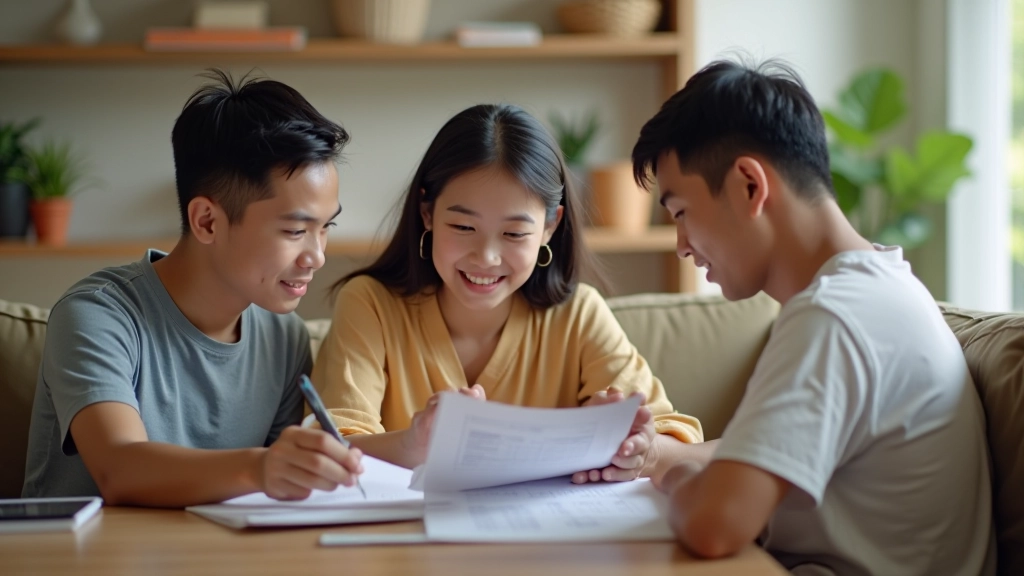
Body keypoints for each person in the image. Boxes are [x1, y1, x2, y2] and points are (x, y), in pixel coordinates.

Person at [632, 59, 994, 575]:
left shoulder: (834, 316)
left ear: (749, 186)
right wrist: (657, 458)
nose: (682, 247)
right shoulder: (876, 288)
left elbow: (717, 523)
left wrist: (678, 481)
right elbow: (747, 458)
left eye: (681, 213)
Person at [22, 70, 364, 507]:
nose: (316, 256)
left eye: (326, 228)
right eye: (296, 231)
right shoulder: (96, 314)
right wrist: (262, 466)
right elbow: (119, 468)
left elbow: (272, 503)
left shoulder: (285, 337)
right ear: (207, 221)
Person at [312, 103, 705, 482]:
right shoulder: (370, 304)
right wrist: (414, 444)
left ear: (551, 226)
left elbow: (670, 437)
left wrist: (637, 448)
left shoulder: (579, 313)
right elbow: (333, 445)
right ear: (427, 213)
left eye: (514, 234)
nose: (485, 257)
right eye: (463, 228)